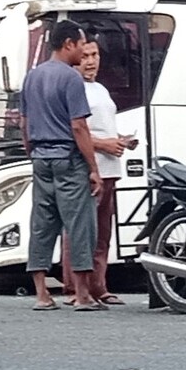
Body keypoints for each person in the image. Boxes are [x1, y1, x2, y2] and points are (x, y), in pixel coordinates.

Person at [19, 20, 103, 311]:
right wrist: (93, 167)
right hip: (68, 158)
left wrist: (34, 153)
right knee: (80, 225)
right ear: (68, 44)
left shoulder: (32, 77)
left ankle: (42, 294)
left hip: (41, 158)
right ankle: (81, 295)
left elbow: (24, 123)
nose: (84, 50)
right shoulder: (71, 78)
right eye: (81, 44)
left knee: (42, 224)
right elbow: (78, 126)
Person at [60, 37, 137, 306]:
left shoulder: (101, 89)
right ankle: (73, 287)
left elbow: (102, 128)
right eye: (86, 56)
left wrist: (120, 140)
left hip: (110, 169)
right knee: (80, 230)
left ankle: (99, 285)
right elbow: (72, 131)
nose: (91, 61)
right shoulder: (72, 87)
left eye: (95, 55)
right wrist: (104, 144)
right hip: (86, 168)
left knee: (103, 232)